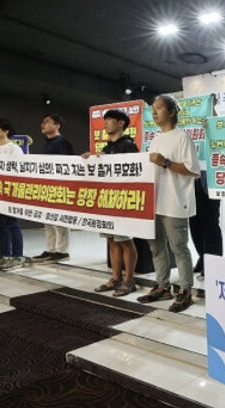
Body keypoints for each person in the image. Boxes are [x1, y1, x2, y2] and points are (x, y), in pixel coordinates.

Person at [137, 95, 200, 312]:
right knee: (156, 248)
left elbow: (193, 170)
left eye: (159, 108)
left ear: (172, 112)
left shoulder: (183, 138)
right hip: (154, 202)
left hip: (175, 202)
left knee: (179, 248)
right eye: (153, 109)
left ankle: (186, 290)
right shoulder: (155, 140)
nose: (154, 112)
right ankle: (162, 286)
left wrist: (165, 162)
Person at [82, 110, 139, 296]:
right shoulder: (106, 149)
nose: (105, 123)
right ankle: (115, 278)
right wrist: (89, 160)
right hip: (108, 201)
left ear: (121, 123)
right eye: (104, 120)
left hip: (123, 201)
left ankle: (129, 280)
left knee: (125, 241)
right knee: (112, 240)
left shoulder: (128, 146)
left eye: (109, 120)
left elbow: (136, 173)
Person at [31, 114, 74, 264]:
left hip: (59, 186)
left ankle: (62, 251)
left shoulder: (63, 143)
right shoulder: (46, 144)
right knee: (47, 219)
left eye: (47, 122)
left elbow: (67, 165)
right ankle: (50, 249)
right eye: (42, 122)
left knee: (60, 219)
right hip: (46, 186)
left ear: (57, 125)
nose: (43, 124)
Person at [0, 118, 26, 272]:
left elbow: (20, 170)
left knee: (12, 223)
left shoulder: (14, 149)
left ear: (5, 131)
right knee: (0, 225)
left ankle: (18, 255)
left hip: (9, 192)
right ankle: (5, 255)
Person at [189, 160, 223, 277]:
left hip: (210, 183)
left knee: (210, 225)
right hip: (191, 183)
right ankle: (203, 258)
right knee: (194, 224)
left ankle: (213, 264)